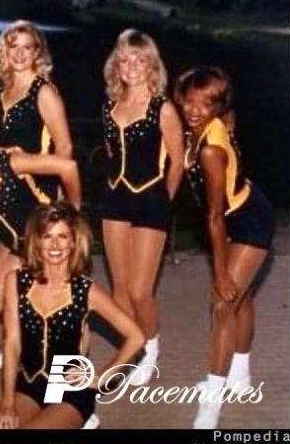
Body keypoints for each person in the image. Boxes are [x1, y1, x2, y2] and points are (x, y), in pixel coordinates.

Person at [0, 92, 81, 406]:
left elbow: (69, 166)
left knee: (58, 316)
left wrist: (72, 216)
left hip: (45, 243)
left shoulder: (9, 160)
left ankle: (69, 400)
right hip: (13, 245)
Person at [173, 67, 275, 429]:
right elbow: (227, 117)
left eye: (206, 103)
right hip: (234, 215)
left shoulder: (211, 151)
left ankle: (211, 405)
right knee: (240, 297)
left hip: (248, 220)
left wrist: (218, 274)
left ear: (218, 106)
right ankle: (240, 377)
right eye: (189, 101)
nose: (195, 109)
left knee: (222, 303)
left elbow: (215, 217)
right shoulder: (203, 127)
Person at [0, 202, 144, 428]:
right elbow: (12, 344)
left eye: (62, 237)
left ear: (73, 242)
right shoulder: (15, 281)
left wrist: (101, 377)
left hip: (69, 389)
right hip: (29, 384)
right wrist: (7, 403)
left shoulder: (86, 290)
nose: (55, 245)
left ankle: (84, 418)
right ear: (36, 241)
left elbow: (136, 337)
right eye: (47, 236)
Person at [99, 29, 184, 385]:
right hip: (114, 201)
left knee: (140, 291)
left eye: (140, 60)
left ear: (152, 66)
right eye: (125, 60)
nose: (131, 66)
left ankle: (150, 346)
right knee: (119, 289)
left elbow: (177, 162)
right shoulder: (109, 107)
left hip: (151, 201)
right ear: (116, 65)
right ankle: (131, 350)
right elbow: (110, 154)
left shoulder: (163, 108)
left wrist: (163, 202)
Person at [0, 19, 74, 204]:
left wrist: (56, 186)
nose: (19, 54)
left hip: (36, 191)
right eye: (14, 46)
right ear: (5, 50)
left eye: (26, 47)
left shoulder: (44, 92)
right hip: (2, 187)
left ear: (36, 53)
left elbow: (64, 148)